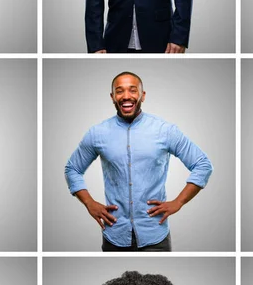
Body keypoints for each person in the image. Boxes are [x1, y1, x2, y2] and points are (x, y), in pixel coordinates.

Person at [64, 71, 212, 251]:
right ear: (112, 97)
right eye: (119, 91)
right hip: (114, 237)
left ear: (142, 95)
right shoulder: (97, 133)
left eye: (133, 90)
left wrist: (178, 202)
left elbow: (202, 164)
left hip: (155, 237)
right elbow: (72, 168)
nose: (126, 96)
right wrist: (89, 202)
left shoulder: (165, 131)